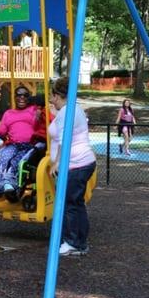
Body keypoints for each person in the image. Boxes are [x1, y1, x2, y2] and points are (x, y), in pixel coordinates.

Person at [48, 76, 96, 256]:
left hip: (75, 164)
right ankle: (79, 241)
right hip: (83, 161)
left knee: (70, 205)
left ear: (57, 95)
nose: (51, 101)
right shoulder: (74, 109)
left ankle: (73, 242)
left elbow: (63, 139)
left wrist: (57, 162)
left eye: (52, 97)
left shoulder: (66, 113)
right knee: (76, 203)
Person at [0, 86, 39, 198]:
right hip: (14, 143)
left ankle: (8, 182)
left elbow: (44, 111)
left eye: (25, 95)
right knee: (4, 156)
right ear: (14, 97)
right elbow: (2, 131)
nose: (22, 98)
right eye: (19, 95)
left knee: (17, 160)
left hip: (29, 145)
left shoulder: (34, 110)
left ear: (29, 98)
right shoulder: (9, 113)